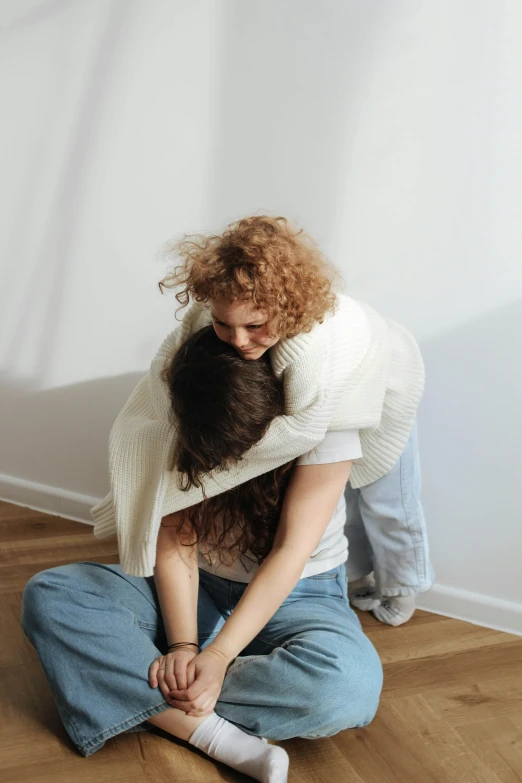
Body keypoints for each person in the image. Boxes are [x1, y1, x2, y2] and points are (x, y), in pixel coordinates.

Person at [21, 326, 383, 783]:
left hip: (299, 595)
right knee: (52, 594)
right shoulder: (179, 413)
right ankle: (212, 735)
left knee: (347, 688)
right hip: (196, 589)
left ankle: (134, 683)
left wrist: (217, 658)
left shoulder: (325, 427)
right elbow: (176, 539)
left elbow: (291, 553)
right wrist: (185, 646)